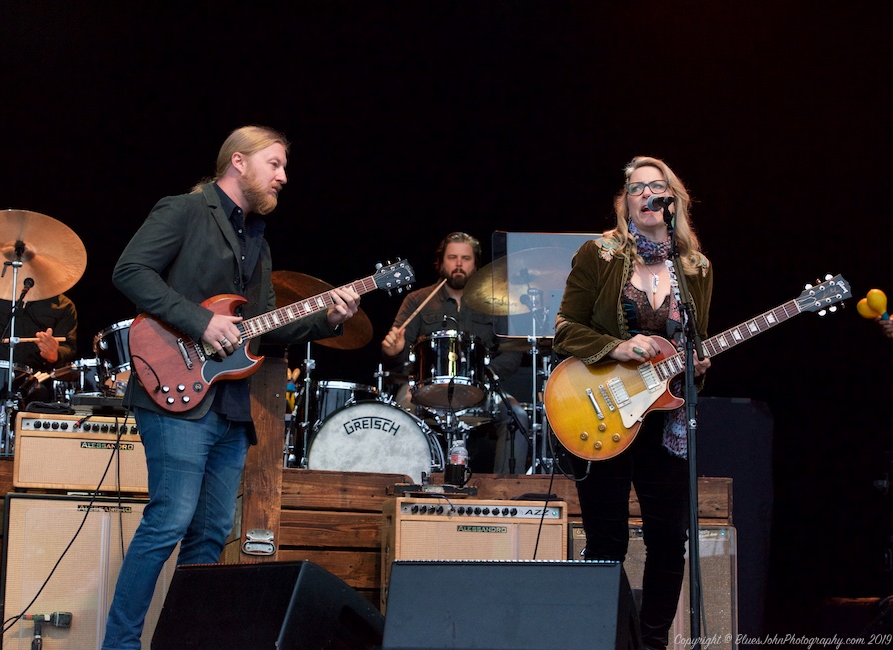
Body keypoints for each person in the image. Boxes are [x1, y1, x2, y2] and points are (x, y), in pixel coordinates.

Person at [102, 125, 360, 649]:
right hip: (171, 394)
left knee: (211, 535)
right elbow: (129, 270)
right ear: (238, 162)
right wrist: (200, 322)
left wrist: (327, 318)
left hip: (229, 405)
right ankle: (120, 645)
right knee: (168, 522)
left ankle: (185, 641)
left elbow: (262, 325)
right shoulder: (183, 210)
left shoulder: (256, 240)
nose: (284, 177)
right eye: (275, 164)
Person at [551, 156, 713, 650]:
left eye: (657, 186)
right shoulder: (599, 254)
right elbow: (564, 329)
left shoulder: (695, 268)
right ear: (625, 201)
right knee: (607, 542)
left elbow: (697, 340)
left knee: (670, 541)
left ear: (673, 200)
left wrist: (697, 364)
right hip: (602, 409)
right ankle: (609, 639)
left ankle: (654, 641)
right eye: (637, 187)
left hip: (665, 419)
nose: (647, 194)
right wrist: (617, 347)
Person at [380, 232, 527, 475]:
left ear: (476, 264)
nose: (459, 264)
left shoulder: (498, 302)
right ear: (440, 262)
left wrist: (485, 376)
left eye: (466, 258)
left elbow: (512, 354)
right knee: (400, 412)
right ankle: (402, 480)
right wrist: (393, 352)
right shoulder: (417, 300)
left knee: (518, 416)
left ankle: (507, 492)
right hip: (423, 387)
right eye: (452, 257)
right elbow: (397, 354)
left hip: (483, 386)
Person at [0, 291, 78, 407]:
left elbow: (68, 348)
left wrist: (54, 354)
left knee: (41, 396)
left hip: (33, 381)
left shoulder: (64, 305)